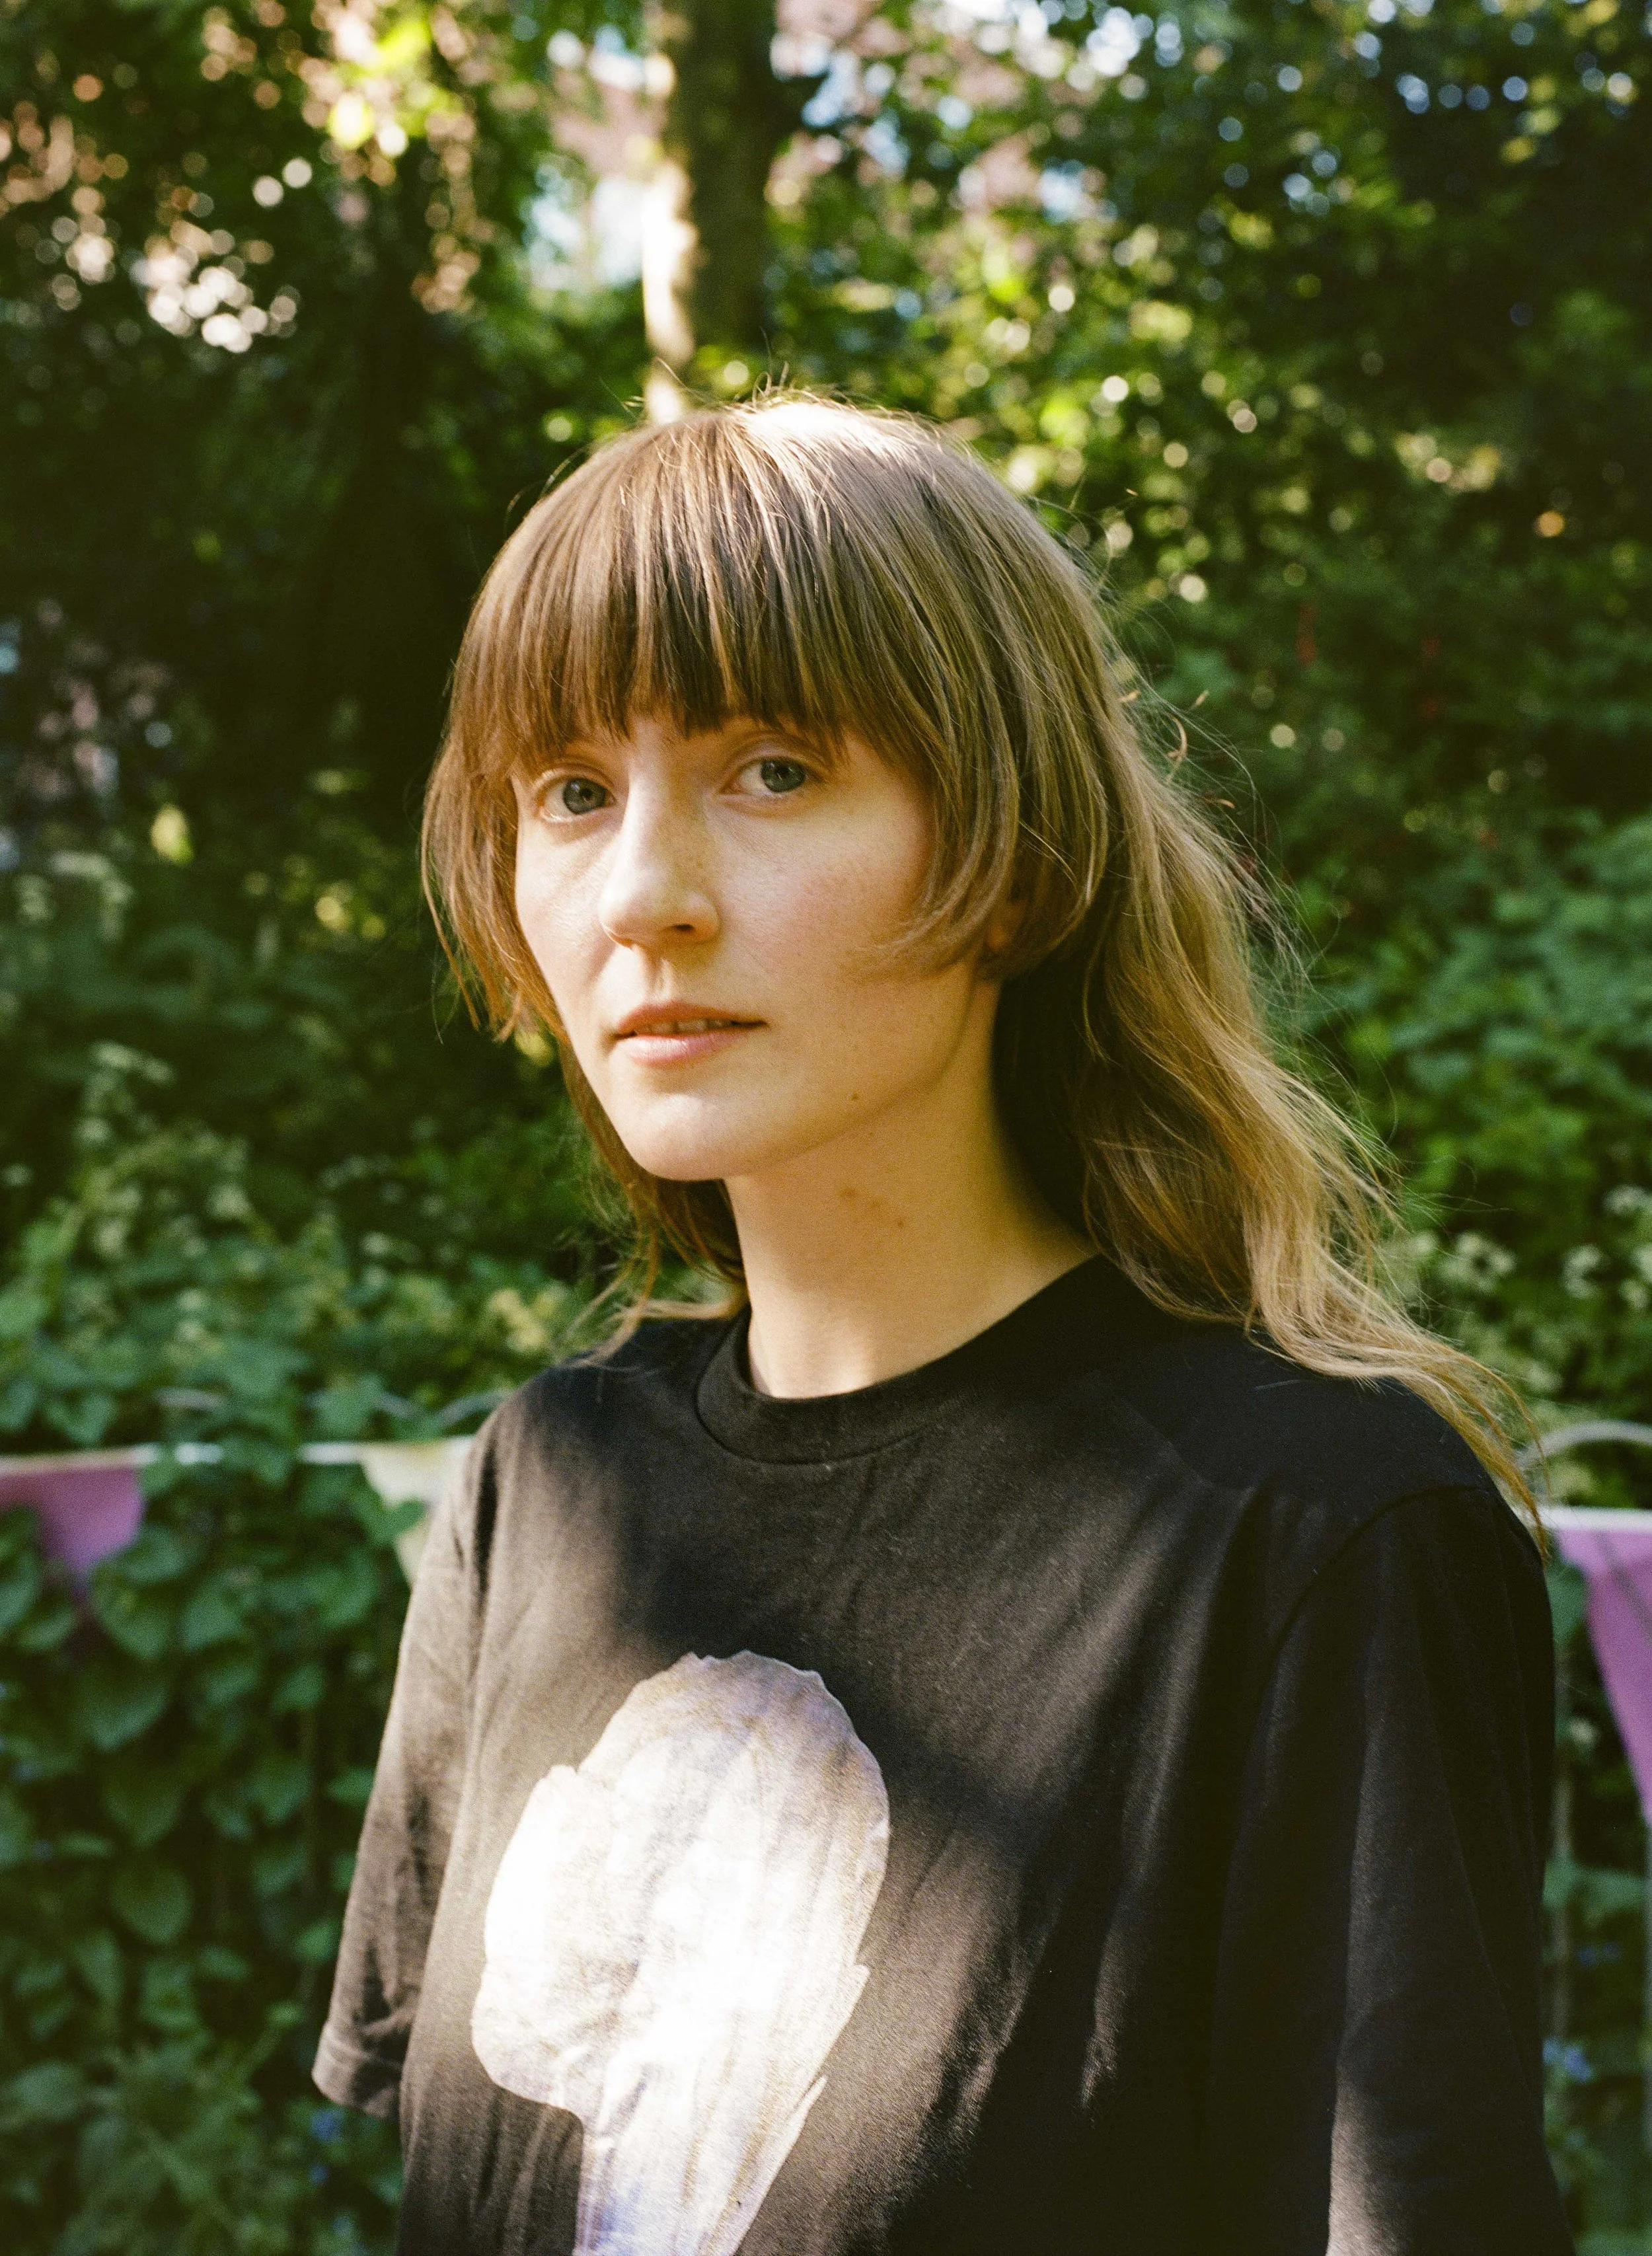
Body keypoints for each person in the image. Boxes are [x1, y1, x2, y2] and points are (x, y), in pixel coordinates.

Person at [313, 395, 1572, 2256]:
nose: (643, 895)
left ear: (1018, 858)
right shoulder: (544, 1486)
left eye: (771, 769)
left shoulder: (1314, 1537)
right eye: (571, 792)